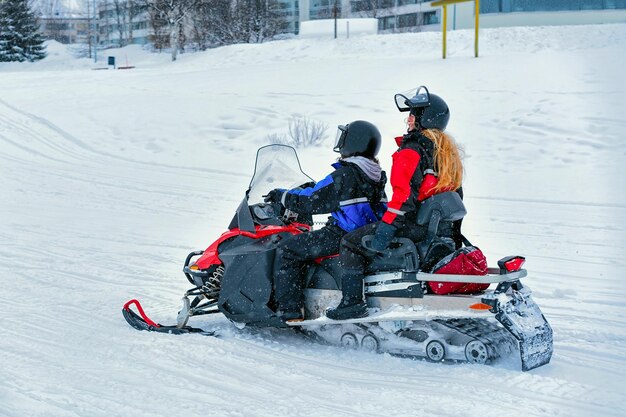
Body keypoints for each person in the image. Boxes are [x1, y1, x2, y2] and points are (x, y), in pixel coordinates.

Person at [326, 87, 464, 320]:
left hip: (413, 224)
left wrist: (386, 228)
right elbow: (457, 195)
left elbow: (402, 197)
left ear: (425, 118)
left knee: (350, 242)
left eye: (414, 113)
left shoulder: (411, 150)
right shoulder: (446, 154)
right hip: (435, 227)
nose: (408, 118)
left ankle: (352, 303)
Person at [264, 120, 387, 321]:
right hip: (367, 230)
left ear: (353, 142)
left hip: (342, 233)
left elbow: (310, 201)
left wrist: (281, 196)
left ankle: (290, 310)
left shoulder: (345, 174)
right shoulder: (374, 173)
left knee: (288, 249)